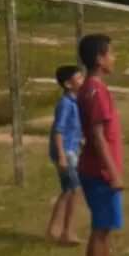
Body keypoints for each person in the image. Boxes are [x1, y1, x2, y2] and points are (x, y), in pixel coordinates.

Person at [77, 34, 125, 256]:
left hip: (98, 171)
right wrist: (112, 171)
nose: (114, 58)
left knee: (106, 230)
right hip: (100, 173)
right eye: (111, 53)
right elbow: (97, 136)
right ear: (99, 58)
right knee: (100, 232)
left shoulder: (93, 88)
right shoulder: (95, 91)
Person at [46, 65, 85, 245]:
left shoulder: (75, 102)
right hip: (65, 151)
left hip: (71, 149)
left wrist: (81, 141)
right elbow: (59, 131)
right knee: (75, 189)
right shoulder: (66, 104)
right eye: (79, 78)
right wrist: (62, 155)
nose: (82, 81)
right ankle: (67, 233)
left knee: (68, 190)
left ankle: (53, 230)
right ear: (68, 84)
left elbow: (73, 128)